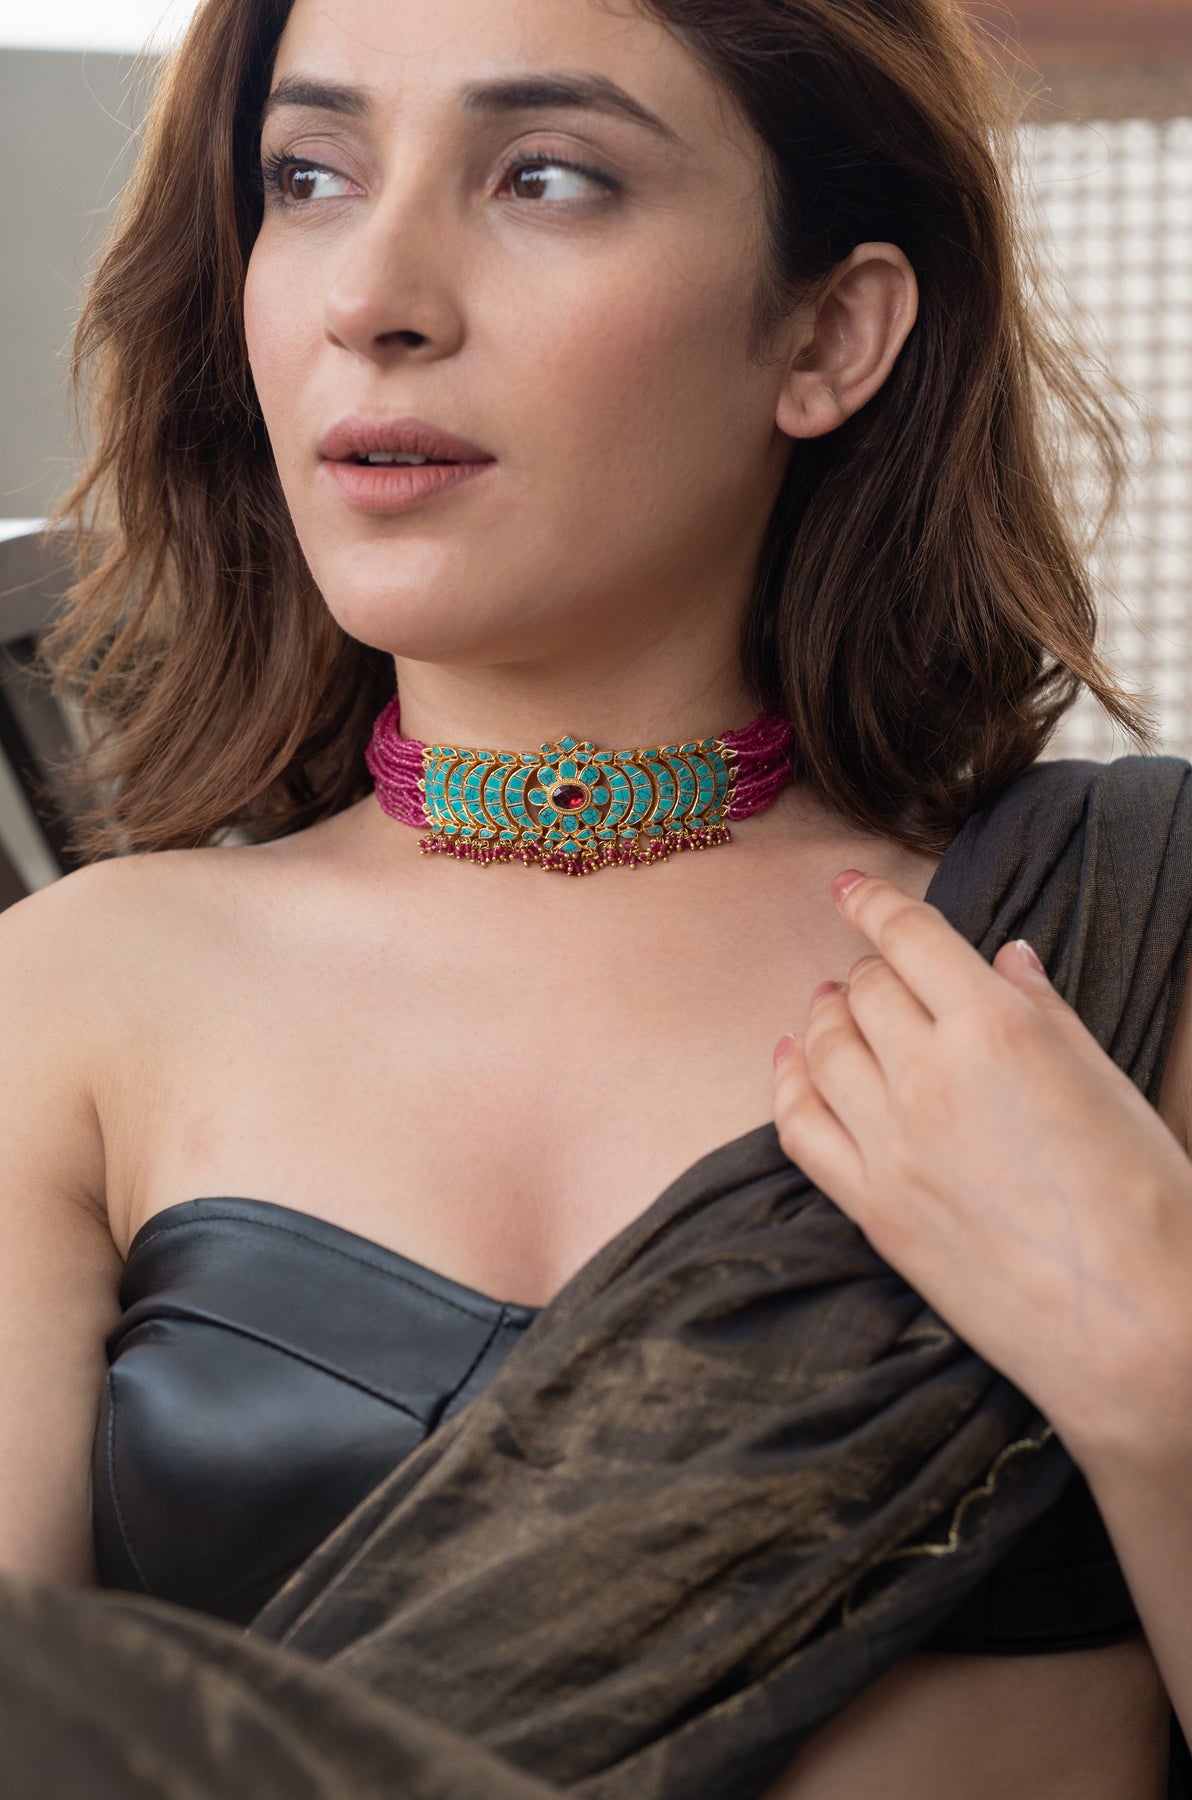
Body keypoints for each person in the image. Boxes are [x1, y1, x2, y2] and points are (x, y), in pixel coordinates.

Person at [1, 0, 1190, 1794]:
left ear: (829, 330)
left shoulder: (1123, 944)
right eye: (309, 177)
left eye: (546, 177)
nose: (373, 297)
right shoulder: (75, 1004)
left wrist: (1152, 1339)